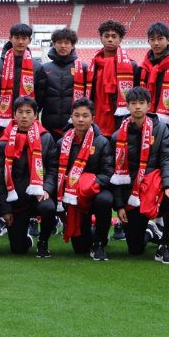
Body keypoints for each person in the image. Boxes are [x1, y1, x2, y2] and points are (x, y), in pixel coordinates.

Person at [109, 86, 169, 263]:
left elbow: (168, 160)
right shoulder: (117, 136)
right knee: (135, 250)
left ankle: (164, 246)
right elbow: (114, 173)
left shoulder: (161, 130)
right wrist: (119, 205)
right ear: (127, 106)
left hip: (154, 189)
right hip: (130, 195)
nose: (137, 107)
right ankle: (150, 231)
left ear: (149, 106)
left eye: (141, 103)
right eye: (133, 103)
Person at [0, 97, 58, 257]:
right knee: (18, 249)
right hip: (16, 198)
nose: (24, 116)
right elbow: (0, 179)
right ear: (14, 115)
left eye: (28, 112)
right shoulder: (3, 142)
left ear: (35, 115)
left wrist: (47, 189)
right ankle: (26, 238)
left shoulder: (46, 138)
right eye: (20, 112)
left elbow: (53, 169)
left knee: (48, 207)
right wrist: (5, 209)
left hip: (38, 194)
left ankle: (43, 242)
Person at [54, 98, 115, 258]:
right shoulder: (62, 142)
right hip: (72, 195)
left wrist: (87, 183)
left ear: (93, 118)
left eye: (85, 116)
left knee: (105, 200)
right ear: (71, 117)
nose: (81, 119)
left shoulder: (102, 142)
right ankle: (90, 233)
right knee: (80, 249)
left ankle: (100, 241)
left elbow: (108, 173)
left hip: (95, 191)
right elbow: (55, 172)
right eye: (77, 115)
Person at [0, 22, 43, 130]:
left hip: (27, 123)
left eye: (24, 38)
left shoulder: (37, 67)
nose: (20, 41)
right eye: (17, 38)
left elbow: (40, 97)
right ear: (10, 39)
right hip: (0, 122)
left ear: (30, 40)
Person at [88, 19, 139, 135]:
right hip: (96, 117)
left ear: (120, 39)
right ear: (101, 38)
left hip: (121, 117)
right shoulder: (93, 65)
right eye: (106, 36)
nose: (110, 39)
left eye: (114, 36)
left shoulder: (131, 66)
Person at [39, 27, 87, 136]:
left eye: (66, 42)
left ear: (73, 45)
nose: (63, 46)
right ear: (54, 44)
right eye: (59, 42)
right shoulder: (44, 68)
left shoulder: (83, 68)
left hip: (76, 126)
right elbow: (39, 98)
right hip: (49, 126)